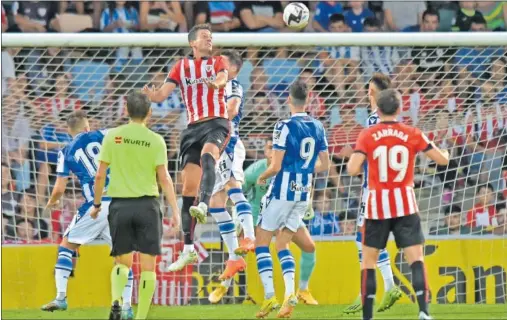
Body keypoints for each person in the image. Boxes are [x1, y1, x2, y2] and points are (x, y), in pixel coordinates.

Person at [347, 89, 449, 320]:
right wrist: (447, 152)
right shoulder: (412, 133)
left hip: (376, 206)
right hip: (405, 204)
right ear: (400, 109)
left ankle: (367, 316)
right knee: (416, 260)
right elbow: (442, 160)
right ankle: (423, 311)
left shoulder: (367, 134)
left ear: (378, 109)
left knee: (368, 264)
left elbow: (352, 169)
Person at [142, 23, 231, 272]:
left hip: (216, 122)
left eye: (211, 37)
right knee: (187, 189)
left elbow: (223, 77)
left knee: (208, 158)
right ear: (193, 42)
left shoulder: (217, 62)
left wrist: (219, 83)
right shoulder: (181, 66)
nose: (209, 40)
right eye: (205, 37)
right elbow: (162, 95)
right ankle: (189, 250)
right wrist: (152, 94)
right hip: (192, 129)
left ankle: (204, 204)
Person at [91, 92, 180, 320]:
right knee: (148, 267)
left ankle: (116, 301)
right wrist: (175, 210)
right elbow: (165, 178)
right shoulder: (156, 140)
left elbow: (100, 175)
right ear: (150, 112)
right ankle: (140, 317)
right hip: (147, 206)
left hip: (120, 205)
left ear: (126, 110)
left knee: (122, 261)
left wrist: (97, 203)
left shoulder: (113, 137)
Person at [40, 111, 134, 319]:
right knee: (122, 259)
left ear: (69, 131)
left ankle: (61, 297)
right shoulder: (104, 134)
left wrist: (52, 202)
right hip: (121, 203)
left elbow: (58, 189)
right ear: (87, 127)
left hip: (96, 206)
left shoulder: (65, 151)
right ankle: (127, 307)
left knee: (66, 246)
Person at [209, 139, 320, 306]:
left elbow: (305, 186)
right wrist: (238, 212)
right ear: (266, 152)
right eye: (270, 147)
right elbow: (238, 189)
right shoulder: (256, 170)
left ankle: (303, 290)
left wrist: (306, 205)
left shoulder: (291, 167)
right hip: (257, 213)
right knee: (239, 249)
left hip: (285, 213)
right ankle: (224, 286)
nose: (274, 150)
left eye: (277, 147)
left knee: (309, 247)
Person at [254, 82, 330, 319]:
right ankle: (290, 296)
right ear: (307, 100)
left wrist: (262, 177)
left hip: (281, 192)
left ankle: (269, 298)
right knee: (282, 244)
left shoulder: (284, 126)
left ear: (289, 99)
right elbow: (325, 165)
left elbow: (275, 166)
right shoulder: (318, 127)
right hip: (303, 192)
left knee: (261, 243)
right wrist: (305, 170)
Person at [342, 73, 403, 315]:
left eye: (371, 90)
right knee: (369, 238)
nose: (368, 93)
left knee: (363, 240)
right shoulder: (396, 121)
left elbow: (369, 152)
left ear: (379, 94)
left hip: (374, 189)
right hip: (390, 188)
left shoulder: (372, 119)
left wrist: (352, 155)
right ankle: (388, 286)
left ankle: (368, 291)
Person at [206, 50, 253, 284]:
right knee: (215, 203)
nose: (217, 65)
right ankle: (234, 257)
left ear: (233, 68)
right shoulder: (215, 86)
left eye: (222, 62)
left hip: (230, 143)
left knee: (234, 187)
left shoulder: (232, 85)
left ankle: (250, 237)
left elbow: (232, 109)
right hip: (217, 146)